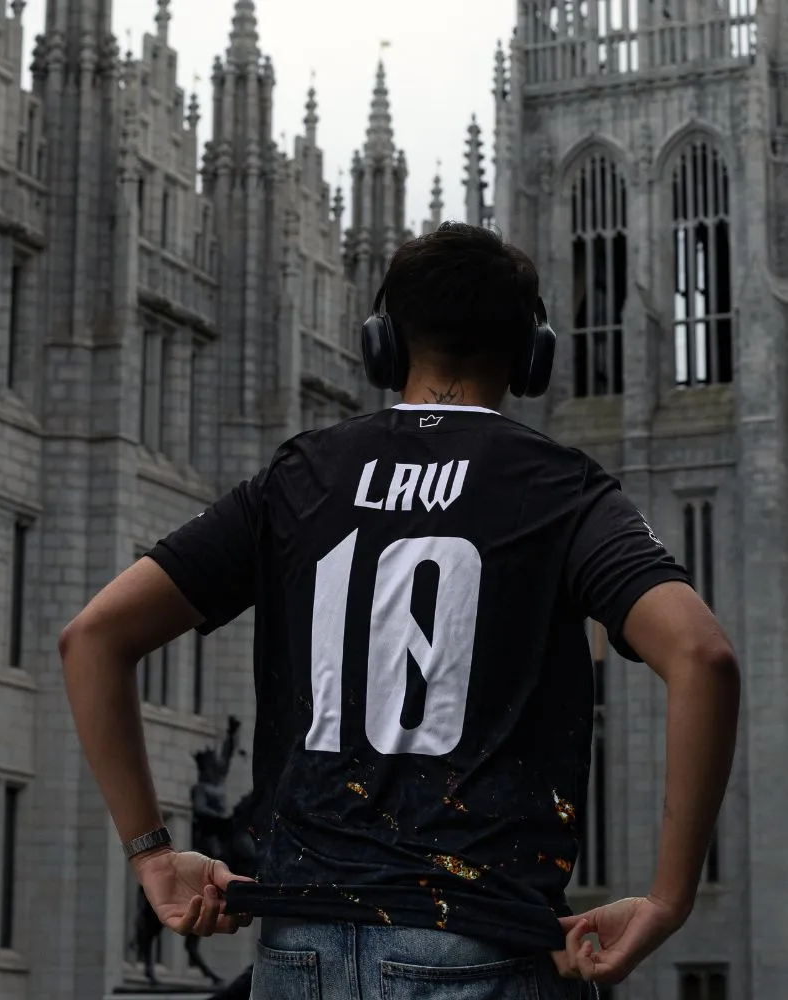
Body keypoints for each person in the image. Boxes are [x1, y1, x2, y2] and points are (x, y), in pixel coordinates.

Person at [58, 222, 741, 998]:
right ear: (530, 357)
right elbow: (702, 656)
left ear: (381, 343)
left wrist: (151, 852)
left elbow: (92, 638)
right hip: (476, 946)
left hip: (296, 953)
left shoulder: (299, 477)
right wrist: (667, 897)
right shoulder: (561, 488)